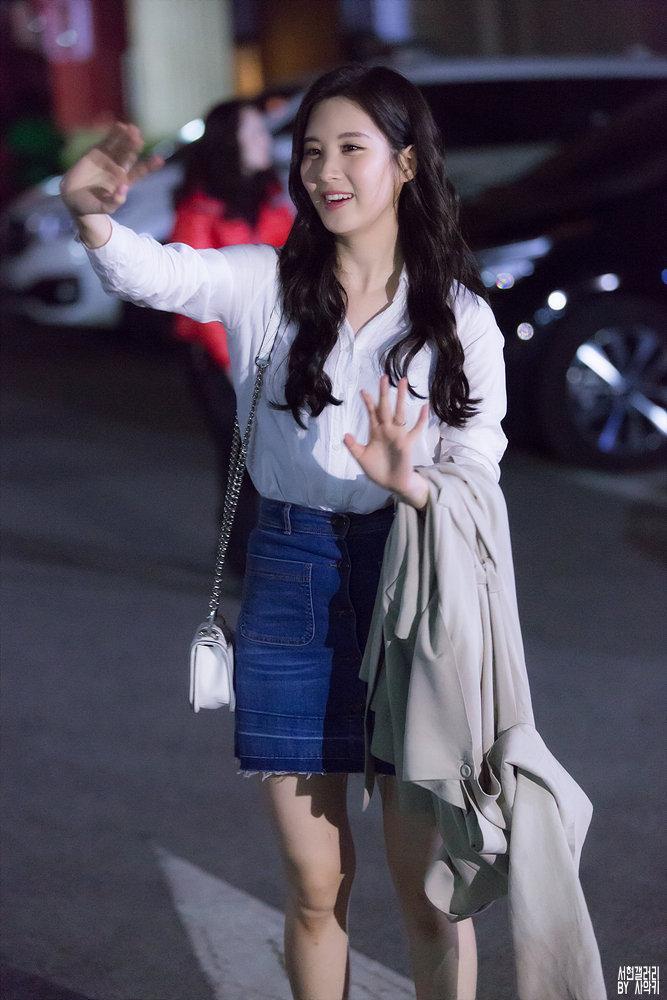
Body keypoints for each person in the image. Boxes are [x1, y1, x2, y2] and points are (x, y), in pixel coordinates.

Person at [58, 62, 512, 1000]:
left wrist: (412, 484)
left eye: (350, 149)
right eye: (310, 152)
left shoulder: (460, 320)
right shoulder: (264, 283)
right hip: (290, 571)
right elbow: (159, 274)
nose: (325, 171)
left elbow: (479, 469)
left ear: (406, 163)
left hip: (411, 589)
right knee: (314, 885)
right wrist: (94, 219)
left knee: (429, 892)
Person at [169, 99, 294, 577]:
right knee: (239, 453)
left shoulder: (273, 197)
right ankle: (240, 559)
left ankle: (258, 553)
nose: (265, 140)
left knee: (267, 453)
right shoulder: (199, 208)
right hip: (217, 358)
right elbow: (198, 301)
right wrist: (235, 365)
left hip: (271, 351)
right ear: (230, 143)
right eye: (255, 132)